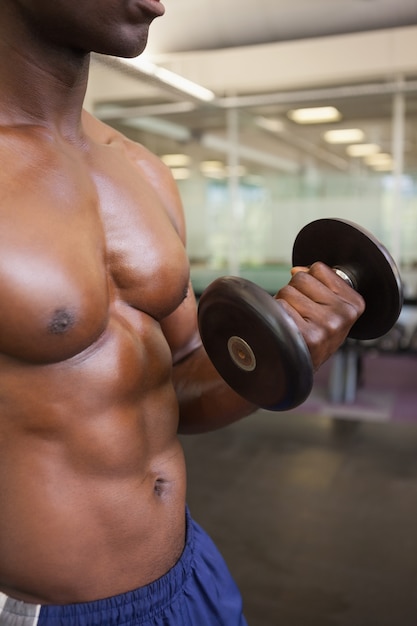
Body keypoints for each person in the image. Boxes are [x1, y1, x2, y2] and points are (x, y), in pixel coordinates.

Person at [0, 1, 365, 625]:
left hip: (188, 580)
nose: (158, 2)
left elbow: (183, 377)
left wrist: (280, 353)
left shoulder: (141, 170)